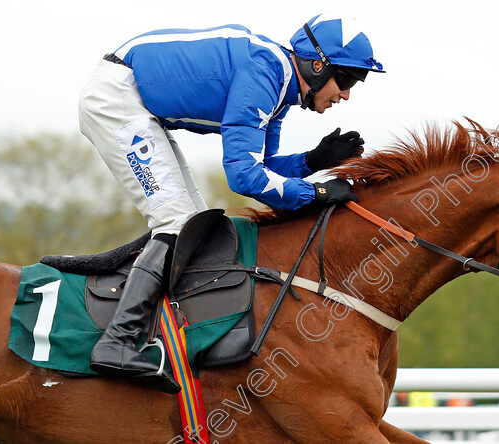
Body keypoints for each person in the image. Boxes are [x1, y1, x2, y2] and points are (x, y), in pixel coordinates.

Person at [77, 13, 385, 387]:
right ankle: (117, 341)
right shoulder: (265, 74)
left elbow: (263, 167)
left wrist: (312, 162)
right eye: (347, 79)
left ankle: (152, 332)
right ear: (317, 66)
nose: (347, 94)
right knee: (175, 222)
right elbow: (244, 177)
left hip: (134, 100)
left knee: (191, 223)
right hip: (117, 98)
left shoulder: (278, 84)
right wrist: (317, 192)